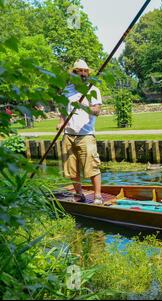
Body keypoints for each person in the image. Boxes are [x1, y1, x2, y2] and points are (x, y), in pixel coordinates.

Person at [59, 59, 103, 205]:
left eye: (85, 71)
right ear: (74, 73)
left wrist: (84, 107)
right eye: (80, 71)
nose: (83, 74)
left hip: (86, 134)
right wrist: (61, 123)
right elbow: (63, 110)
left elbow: (97, 111)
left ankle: (97, 196)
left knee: (92, 166)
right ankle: (79, 194)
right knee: (71, 168)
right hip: (68, 134)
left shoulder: (92, 89)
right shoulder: (67, 90)